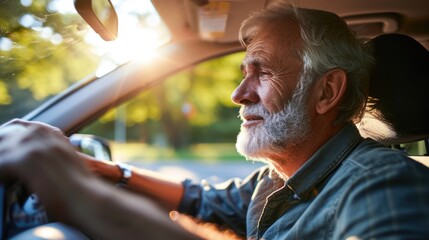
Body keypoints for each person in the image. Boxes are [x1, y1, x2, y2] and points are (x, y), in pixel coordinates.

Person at [1, 1, 429, 239]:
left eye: (262, 72)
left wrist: (72, 190)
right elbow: (201, 200)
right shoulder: (279, 177)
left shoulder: (384, 184)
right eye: (244, 73)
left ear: (326, 92)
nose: (238, 94)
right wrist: (106, 171)